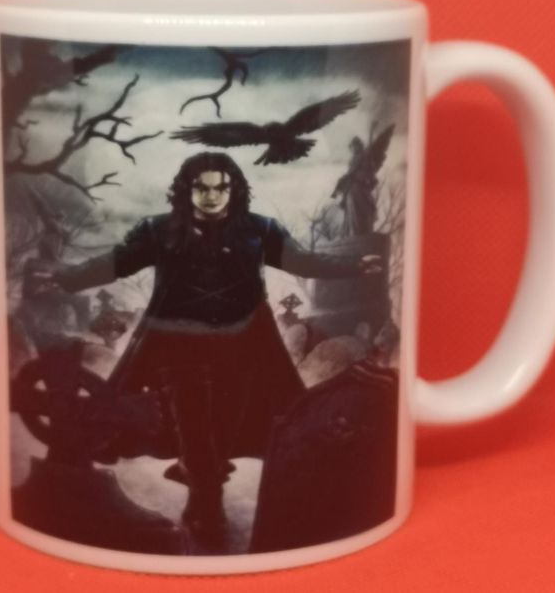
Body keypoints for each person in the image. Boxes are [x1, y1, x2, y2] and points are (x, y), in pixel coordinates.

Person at [33, 152, 382, 547]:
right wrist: (66, 279)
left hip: (244, 344)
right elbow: (117, 262)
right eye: (202, 187)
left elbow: (303, 261)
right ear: (187, 190)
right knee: (192, 414)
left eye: (221, 187)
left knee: (232, 422)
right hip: (175, 343)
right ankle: (206, 502)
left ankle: (201, 479)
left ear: (234, 189)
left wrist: (354, 265)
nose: (211, 195)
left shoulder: (260, 229)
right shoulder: (158, 231)